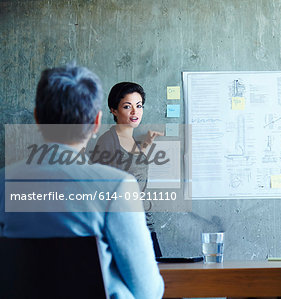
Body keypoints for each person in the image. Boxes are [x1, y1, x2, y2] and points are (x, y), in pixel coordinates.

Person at [0, 65, 164, 298]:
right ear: (97, 121)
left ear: (37, 117)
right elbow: (148, 291)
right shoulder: (118, 187)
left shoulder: (4, 182)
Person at [90, 82, 163, 228]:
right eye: (127, 106)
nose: (135, 112)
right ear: (114, 110)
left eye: (139, 105)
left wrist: (146, 144)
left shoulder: (132, 139)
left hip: (144, 220)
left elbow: (130, 164)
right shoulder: (108, 141)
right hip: (124, 223)